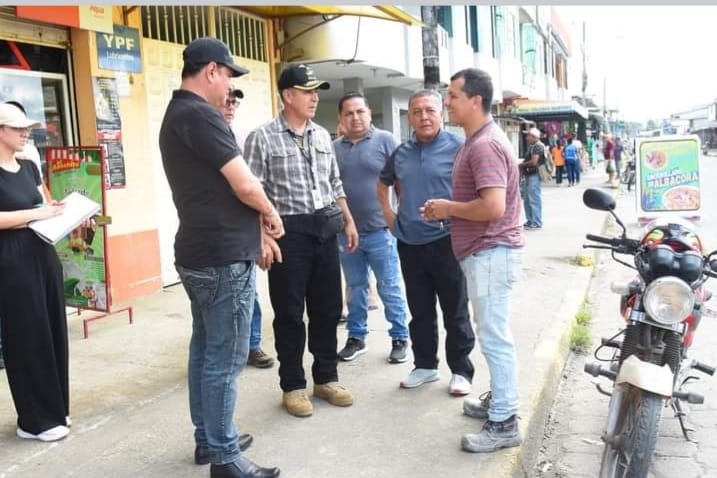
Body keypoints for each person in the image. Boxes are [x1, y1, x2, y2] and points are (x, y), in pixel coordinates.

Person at [158, 37, 282, 478]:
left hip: (201, 252)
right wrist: (270, 214)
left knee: (205, 349)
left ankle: (209, 439)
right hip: (221, 256)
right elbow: (244, 184)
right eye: (228, 75)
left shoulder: (178, 114)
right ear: (211, 70)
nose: (230, 87)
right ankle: (225, 457)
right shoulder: (200, 114)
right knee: (225, 360)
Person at [244, 63, 358, 418]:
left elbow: (334, 184)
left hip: (325, 228)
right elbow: (250, 192)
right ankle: (292, 385)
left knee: (327, 309)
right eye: (307, 91)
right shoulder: (262, 137)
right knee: (290, 313)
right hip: (287, 234)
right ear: (288, 95)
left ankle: (326, 378)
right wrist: (261, 236)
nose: (314, 98)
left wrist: (348, 221)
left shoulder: (322, 135)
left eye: (315, 92)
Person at [422, 67, 524, 453]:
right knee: (492, 334)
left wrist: (448, 208)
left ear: (475, 101)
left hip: (491, 252)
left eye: (453, 96)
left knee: (494, 338)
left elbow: (493, 206)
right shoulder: (477, 140)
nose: (446, 102)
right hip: (486, 252)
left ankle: (505, 421)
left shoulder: (484, 145)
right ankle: (500, 402)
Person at [377, 89, 475, 396]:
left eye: (430, 110)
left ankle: (461, 370)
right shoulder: (401, 153)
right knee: (419, 309)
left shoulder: (459, 148)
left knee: (455, 310)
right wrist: (390, 217)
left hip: (447, 240)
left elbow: (475, 190)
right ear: (410, 117)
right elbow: (383, 184)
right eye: (417, 112)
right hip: (410, 242)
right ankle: (425, 365)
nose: (424, 117)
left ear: (441, 114)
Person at [0, 102, 70, 442]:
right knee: (28, 335)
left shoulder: (28, 166)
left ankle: (56, 408)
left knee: (53, 329)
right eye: (17, 128)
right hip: (12, 260)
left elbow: (43, 205)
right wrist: (35, 215)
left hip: (43, 252)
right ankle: (35, 419)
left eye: (26, 128)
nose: (25, 133)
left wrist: (58, 210)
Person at [333, 91, 410, 363]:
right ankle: (356, 337)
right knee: (356, 288)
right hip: (347, 233)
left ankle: (399, 337)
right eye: (349, 113)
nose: (355, 117)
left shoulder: (386, 140)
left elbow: (401, 180)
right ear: (341, 118)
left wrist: (400, 218)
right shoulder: (334, 148)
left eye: (360, 111)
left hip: (381, 231)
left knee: (389, 287)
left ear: (368, 113)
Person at [219, 87, 275, 369]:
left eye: (235, 102)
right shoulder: (204, 133)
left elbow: (254, 185)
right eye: (226, 101)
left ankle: (251, 345)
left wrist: (263, 225)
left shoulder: (245, 137)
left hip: (244, 225)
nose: (230, 106)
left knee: (248, 291)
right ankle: (226, 349)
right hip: (215, 229)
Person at [518, 127, 544, 229]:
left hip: (534, 175)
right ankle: (530, 220)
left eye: (528, 135)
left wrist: (521, 164)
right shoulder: (532, 146)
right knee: (527, 199)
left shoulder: (538, 146)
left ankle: (537, 222)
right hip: (528, 175)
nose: (526, 138)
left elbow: (534, 162)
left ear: (534, 136)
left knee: (534, 199)